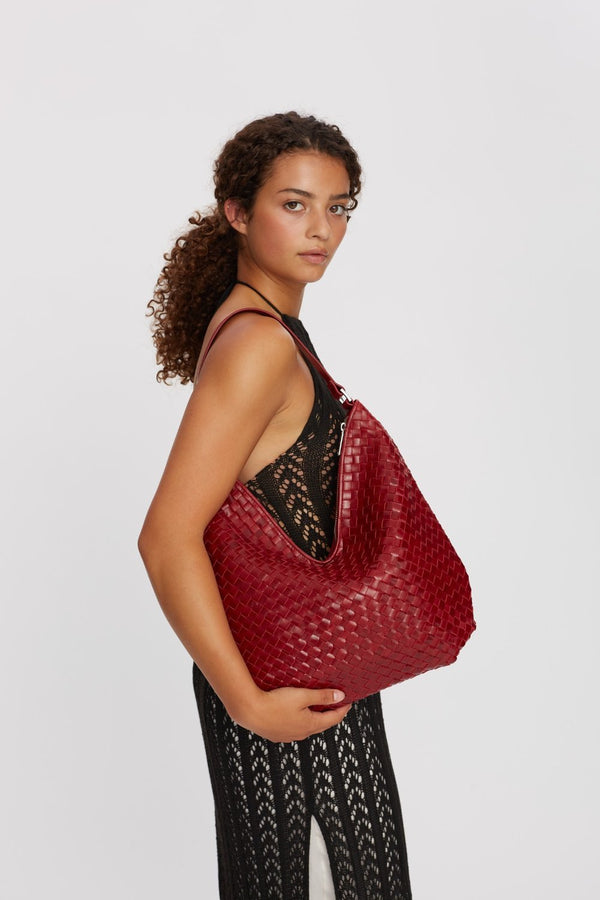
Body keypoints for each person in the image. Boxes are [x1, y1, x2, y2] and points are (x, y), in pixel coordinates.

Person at [138, 111, 412, 899]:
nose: (322, 228)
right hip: (291, 705)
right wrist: (247, 703)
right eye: (294, 204)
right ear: (237, 211)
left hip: (302, 683)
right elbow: (166, 537)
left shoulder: (263, 327)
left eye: (339, 206)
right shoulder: (259, 344)